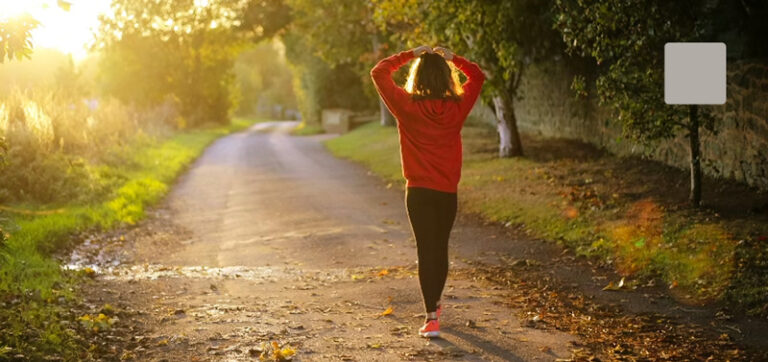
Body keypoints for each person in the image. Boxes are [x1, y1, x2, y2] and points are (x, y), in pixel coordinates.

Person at [370, 45, 485, 338]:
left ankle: (431, 316)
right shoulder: (457, 107)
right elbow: (478, 76)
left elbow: (379, 72)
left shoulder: (406, 106)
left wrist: (410, 54)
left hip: (418, 192)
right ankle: (434, 303)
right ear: (447, 77)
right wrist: (453, 58)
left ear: (417, 77)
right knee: (440, 248)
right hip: (446, 191)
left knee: (426, 250)